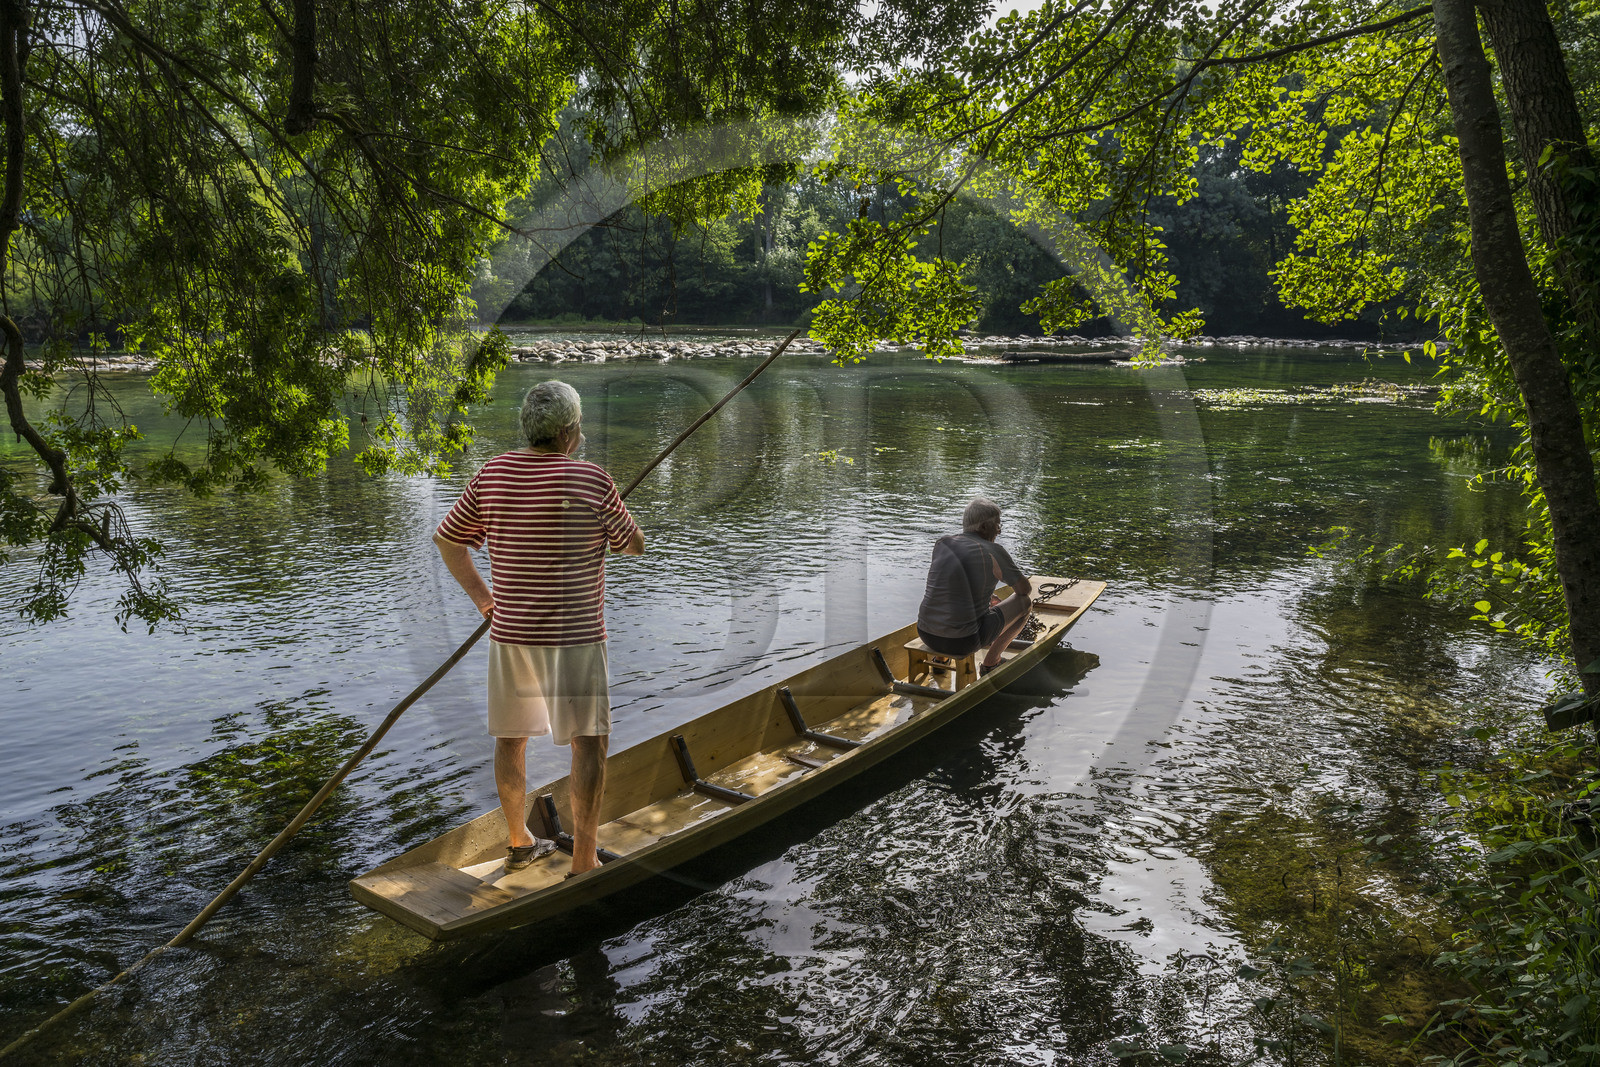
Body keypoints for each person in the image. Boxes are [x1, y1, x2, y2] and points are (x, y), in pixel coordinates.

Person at [433, 380, 644, 876]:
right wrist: (620, 527)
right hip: (573, 637)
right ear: (570, 430)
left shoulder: (493, 475)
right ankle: (585, 862)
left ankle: (518, 841)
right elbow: (632, 545)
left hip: (510, 634)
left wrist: (485, 601)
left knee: (510, 739)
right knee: (589, 743)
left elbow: (447, 540)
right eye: (580, 426)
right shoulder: (591, 480)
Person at [916, 498, 1033, 675]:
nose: (999, 531)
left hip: (926, 633)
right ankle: (991, 664)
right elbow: (1024, 590)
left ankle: (940, 660)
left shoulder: (942, 543)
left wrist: (986, 596)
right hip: (964, 641)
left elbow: (949, 583)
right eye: (997, 525)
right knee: (1025, 603)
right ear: (984, 527)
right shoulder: (993, 550)